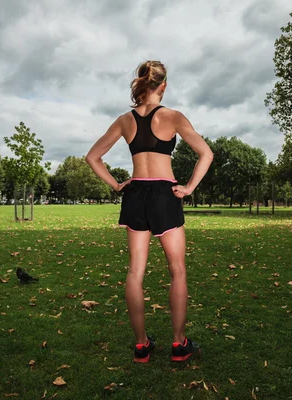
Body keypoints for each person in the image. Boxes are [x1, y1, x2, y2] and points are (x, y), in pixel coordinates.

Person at [86, 60, 213, 363]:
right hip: (164, 194)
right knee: (177, 270)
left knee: (135, 273)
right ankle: (179, 344)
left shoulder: (124, 120)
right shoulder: (173, 117)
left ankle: (142, 345)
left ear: (141, 86)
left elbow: (93, 157)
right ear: (163, 86)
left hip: (136, 194)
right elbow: (206, 153)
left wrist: (118, 185)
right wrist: (190, 188)